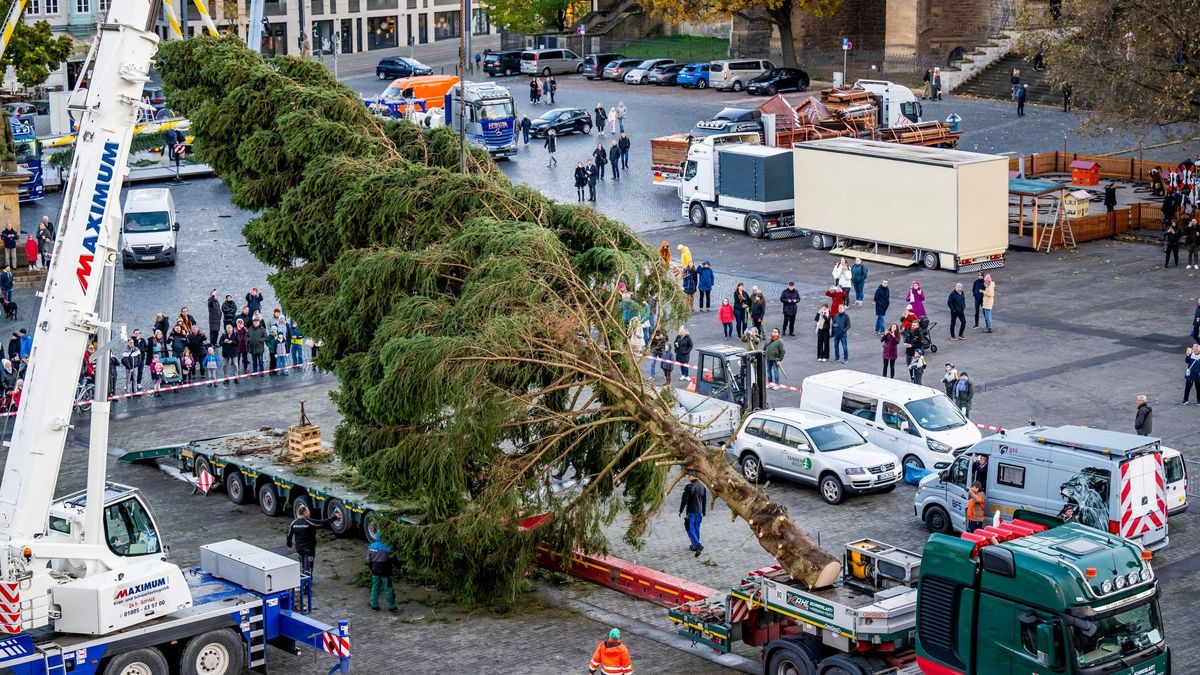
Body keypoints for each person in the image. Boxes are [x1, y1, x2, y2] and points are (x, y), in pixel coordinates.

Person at [286, 503, 336, 576]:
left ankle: (303, 577)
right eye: (308, 511)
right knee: (309, 565)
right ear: (304, 513)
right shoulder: (309, 522)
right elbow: (322, 523)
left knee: (302, 563)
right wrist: (335, 517)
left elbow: (289, 535)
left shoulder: (294, 523)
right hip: (309, 548)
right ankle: (308, 580)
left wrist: (289, 545)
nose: (309, 512)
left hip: (299, 548)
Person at [679, 470, 707, 555]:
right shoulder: (703, 487)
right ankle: (694, 546)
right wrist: (704, 511)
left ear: (693, 476)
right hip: (699, 512)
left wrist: (681, 510)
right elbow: (704, 501)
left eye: (689, 475)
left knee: (689, 528)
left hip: (691, 512)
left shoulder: (689, 486)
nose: (688, 476)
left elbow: (684, 500)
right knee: (696, 528)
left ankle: (698, 545)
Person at [367, 538, 397, 612]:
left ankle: (374, 605)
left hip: (375, 571)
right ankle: (392, 607)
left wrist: (371, 569)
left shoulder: (371, 546)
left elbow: (368, 560)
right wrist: (399, 567)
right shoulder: (387, 547)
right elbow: (393, 559)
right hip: (385, 572)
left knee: (375, 588)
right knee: (388, 589)